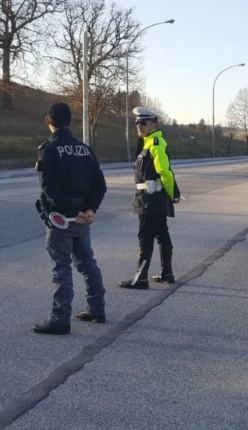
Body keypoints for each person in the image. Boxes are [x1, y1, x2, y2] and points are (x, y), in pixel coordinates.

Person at [33, 102, 107, 335]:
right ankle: (97, 309)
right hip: (83, 217)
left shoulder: (50, 149)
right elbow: (100, 185)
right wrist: (90, 210)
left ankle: (60, 318)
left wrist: (68, 212)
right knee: (87, 262)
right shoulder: (86, 149)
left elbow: (49, 188)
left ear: (48, 121)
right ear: (70, 121)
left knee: (61, 267)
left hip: (61, 219)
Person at [119, 107, 180, 290]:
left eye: (143, 122)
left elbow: (165, 172)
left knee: (145, 237)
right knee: (161, 233)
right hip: (150, 197)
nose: (139, 126)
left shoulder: (155, 143)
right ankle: (167, 273)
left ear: (154, 123)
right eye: (137, 123)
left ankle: (141, 279)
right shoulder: (147, 143)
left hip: (151, 198)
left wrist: (174, 193)